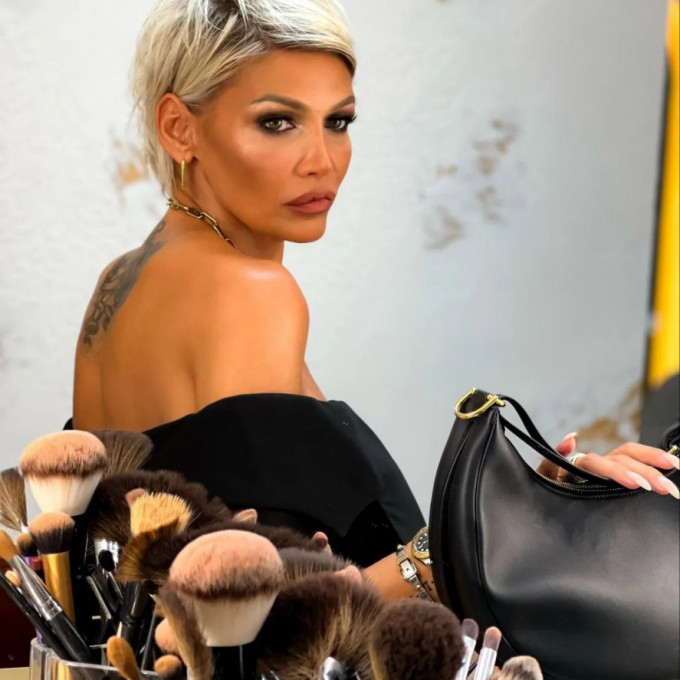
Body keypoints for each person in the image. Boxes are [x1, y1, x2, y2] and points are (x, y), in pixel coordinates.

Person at [71, 0, 679, 603]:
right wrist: (489, 538)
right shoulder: (251, 293)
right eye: (277, 122)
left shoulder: (119, 283)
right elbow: (273, 618)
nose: (322, 161)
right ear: (179, 128)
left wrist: (527, 506)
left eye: (338, 122)